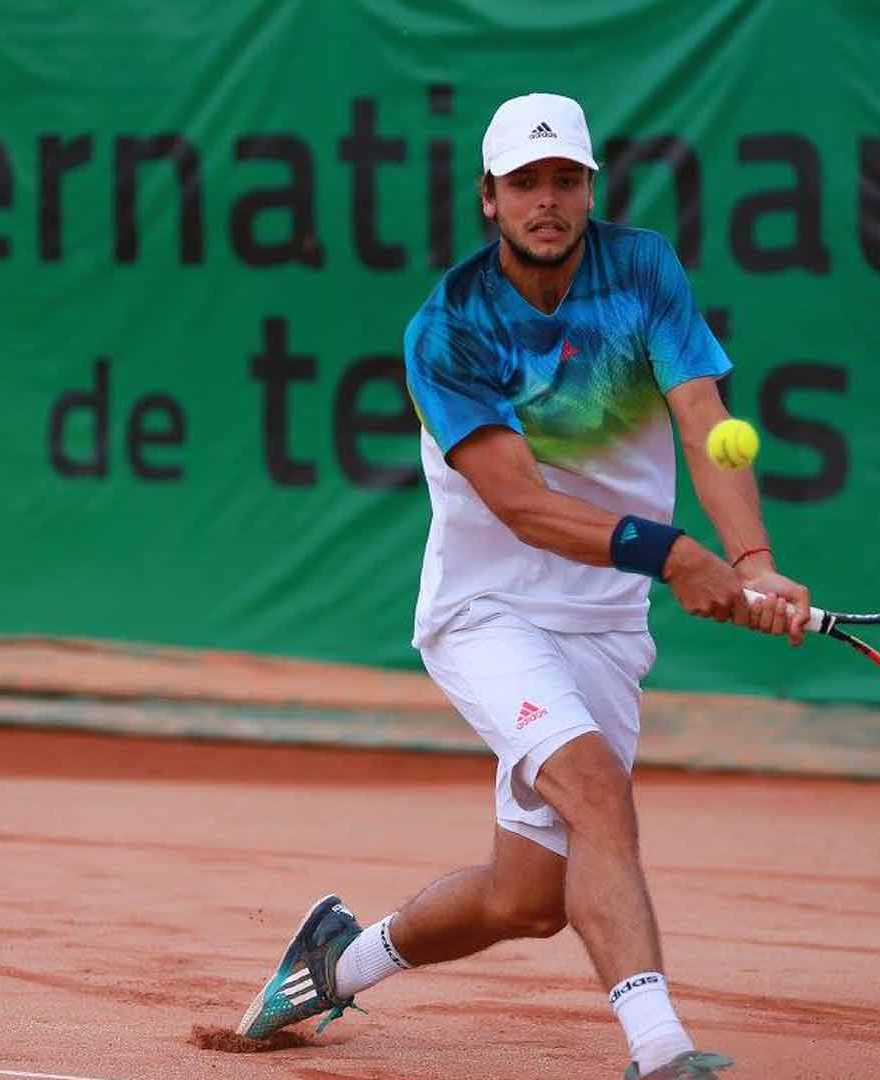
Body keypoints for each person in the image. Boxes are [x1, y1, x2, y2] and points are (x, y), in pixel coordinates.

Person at [235, 91, 810, 1080]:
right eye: (526, 184)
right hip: (486, 614)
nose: (548, 200)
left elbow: (700, 411)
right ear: (489, 200)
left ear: (589, 189)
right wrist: (680, 556)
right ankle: (658, 1050)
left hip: (605, 623)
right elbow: (523, 507)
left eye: (565, 181)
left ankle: (336, 961)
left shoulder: (643, 272)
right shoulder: (447, 330)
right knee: (596, 793)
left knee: (527, 899)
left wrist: (752, 561)